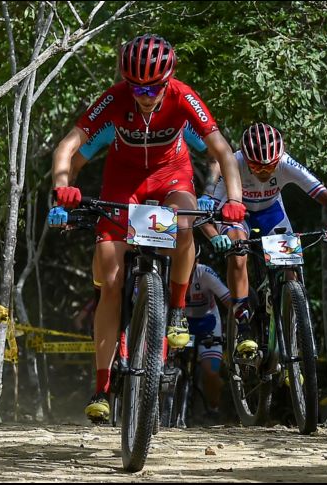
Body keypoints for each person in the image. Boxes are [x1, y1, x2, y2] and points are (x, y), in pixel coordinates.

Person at [49, 33, 245, 423]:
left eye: (153, 86)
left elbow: (222, 150)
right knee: (109, 275)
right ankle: (102, 386)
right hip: (123, 183)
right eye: (136, 85)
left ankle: (174, 310)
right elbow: (68, 147)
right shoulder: (116, 97)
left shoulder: (182, 96)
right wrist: (62, 186)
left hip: (172, 176)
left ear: (168, 78)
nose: (144, 94)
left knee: (185, 223)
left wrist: (236, 199)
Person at [197, 122, 327, 359]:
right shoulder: (233, 163)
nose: (265, 172)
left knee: (291, 270)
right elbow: (206, 216)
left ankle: (294, 334)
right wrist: (216, 237)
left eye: (270, 166)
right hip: (238, 214)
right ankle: (242, 321)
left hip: (272, 214)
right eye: (257, 166)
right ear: (246, 159)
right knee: (238, 254)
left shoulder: (285, 163)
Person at [183, 246, 232, 418]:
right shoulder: (168, 269)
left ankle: (213, 407)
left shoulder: (204, 273)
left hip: (208, 322)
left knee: (211, 371)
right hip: (180, 323)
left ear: (196, 261)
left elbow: (228, 300)